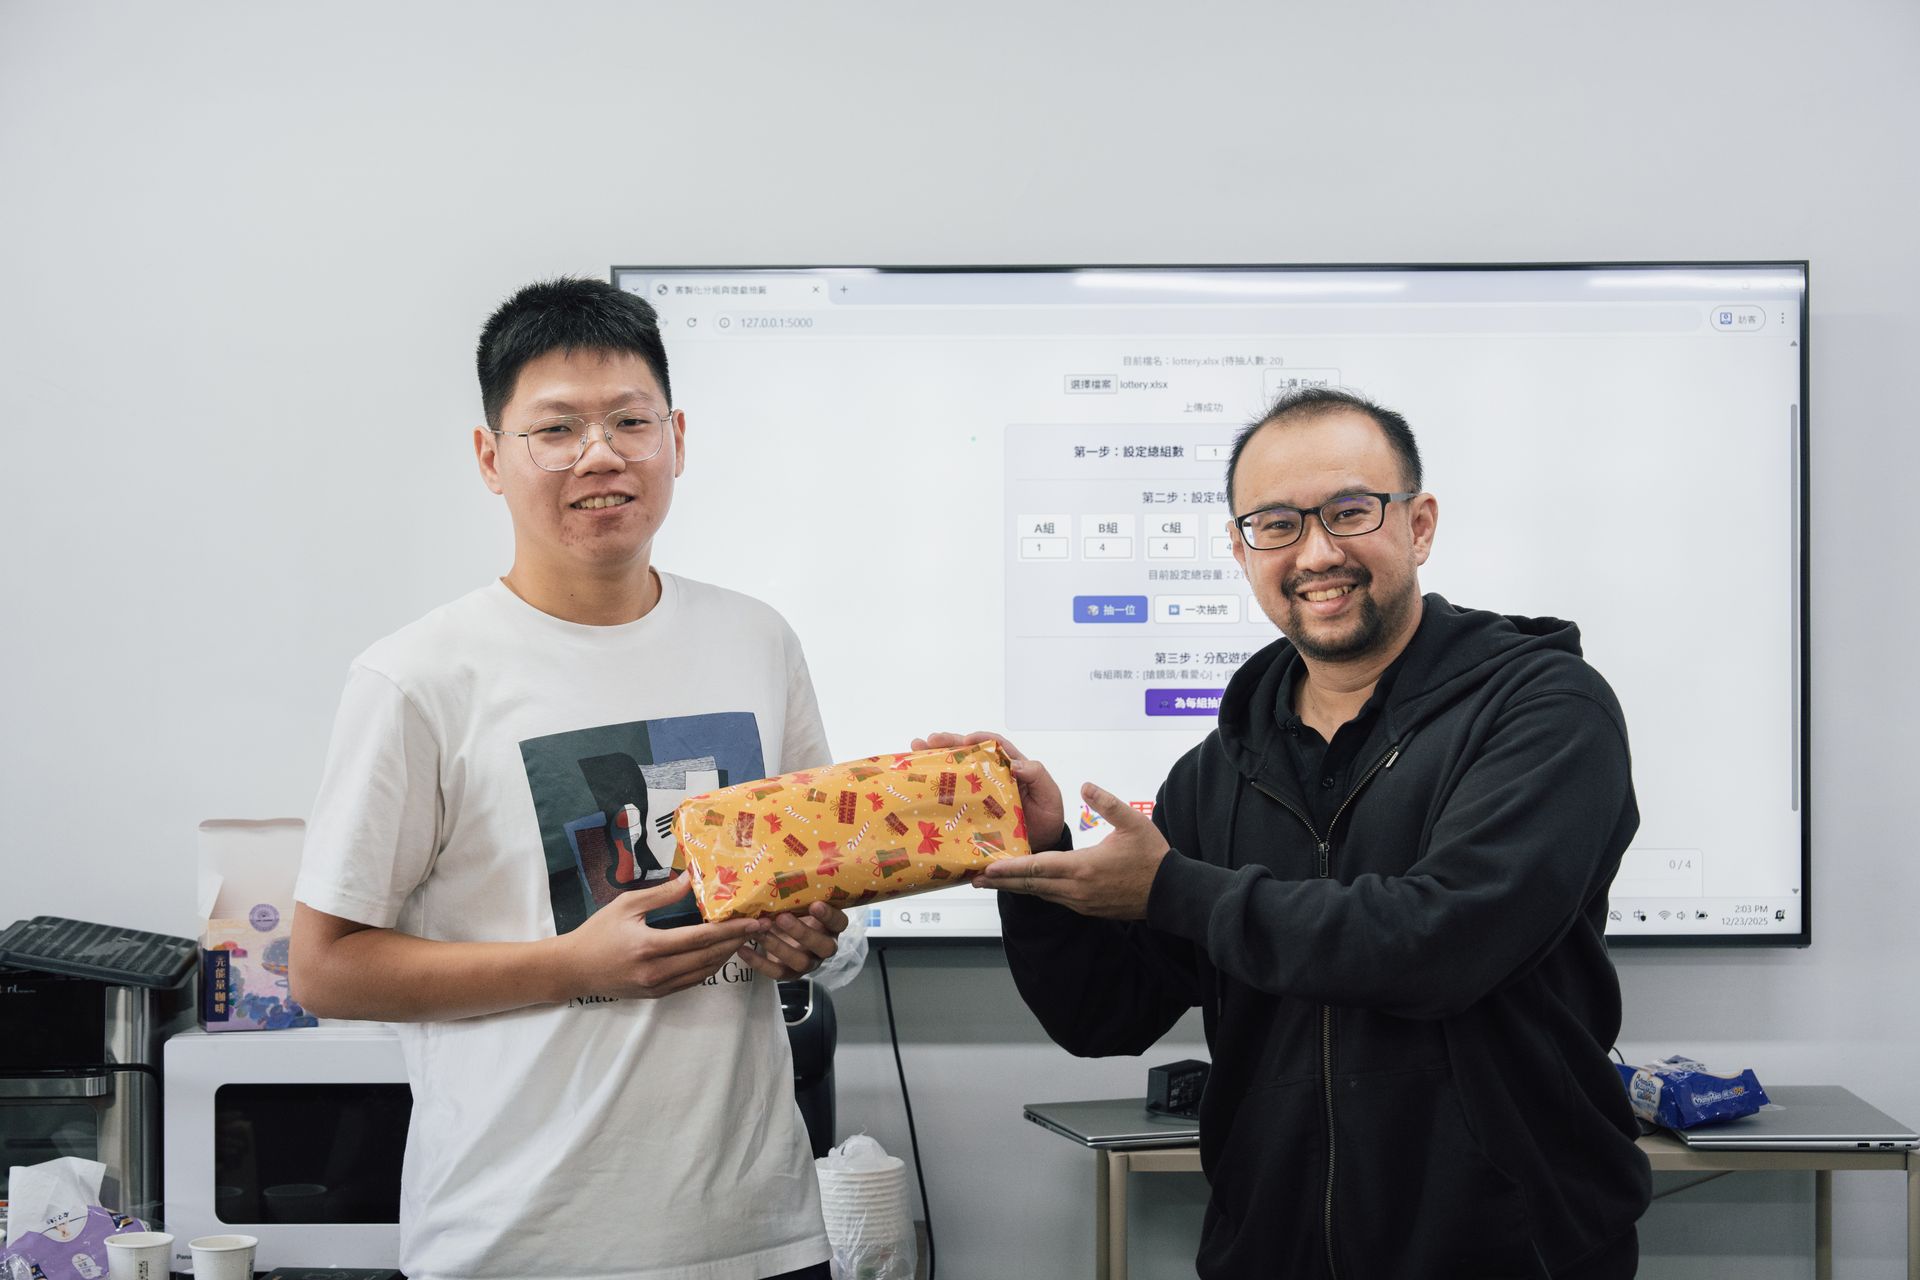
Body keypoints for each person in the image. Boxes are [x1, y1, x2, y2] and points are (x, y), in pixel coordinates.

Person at [926, 387, 1652, 1278]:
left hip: (1510, 1252)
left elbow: (1444, 943)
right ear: (1242, 550)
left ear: (1419, 525)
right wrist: (1038, 855)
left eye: (1350, 511)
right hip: (1269, 1252)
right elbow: (1105, 1015)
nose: (1316, 553)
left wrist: (1177, 890)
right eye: (1276, 524)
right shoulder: (1217, 769)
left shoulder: (1544, 710)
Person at [290, 277, 863, 1280]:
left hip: (759, 1234)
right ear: (491, 457)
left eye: (630, 421)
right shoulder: (418, 677)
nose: (601, 455)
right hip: (517, 1241)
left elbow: (815, 887)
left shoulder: (757, 640)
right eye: (556, 429)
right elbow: (325, 968)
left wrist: (809, 939)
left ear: (676, 438)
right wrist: (573, 965)